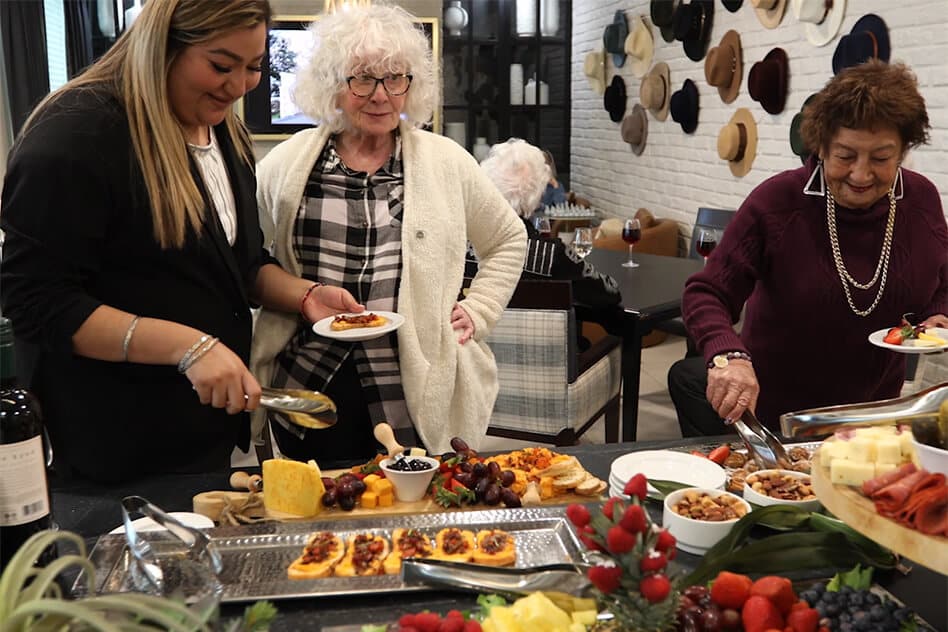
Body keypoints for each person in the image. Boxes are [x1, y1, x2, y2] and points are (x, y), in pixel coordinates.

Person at [0, 0, 360, 483]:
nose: (239, 87)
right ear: (162, 46)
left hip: (200, 436)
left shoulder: (223, 131)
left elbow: (241, 264)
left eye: (254, 67)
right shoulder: (75, 135)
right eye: (221, 65)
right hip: (111, 447)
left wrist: (306, 296)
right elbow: (36, 302)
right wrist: (187, 347)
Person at [250, 4, 527, 463]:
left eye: (395, 77)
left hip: (414, 379)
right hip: (311, 375)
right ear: (333, 86)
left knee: (414, 509)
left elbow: (507, 238)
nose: (380, 95)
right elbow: (247, 255)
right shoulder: (287, 164)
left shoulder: (446, 162)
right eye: (362, 78)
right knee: (325, 508)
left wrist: (480, 309)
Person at [668, 60, 948, 437]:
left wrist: (939, 316)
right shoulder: (778, 202)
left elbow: (944, 281)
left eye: (881, 158)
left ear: (902, 150)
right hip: (776, 417)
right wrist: (729, 357)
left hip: (873, 418)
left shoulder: (922, 200)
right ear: (821, 145)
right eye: (845, 156)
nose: (861, 174)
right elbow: (707, 292)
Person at [471, 138, 620, 312]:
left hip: (472, 336)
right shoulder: (550, 254)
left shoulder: (462, 242)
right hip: (539, 337)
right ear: (536, 197)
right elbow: (610, 292)